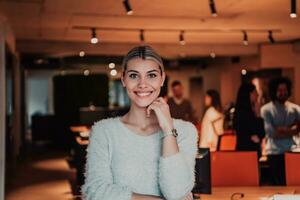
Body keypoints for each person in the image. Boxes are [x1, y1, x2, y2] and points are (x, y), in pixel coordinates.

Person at [82, 45, 198, 200]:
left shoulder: (185, 131)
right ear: (123, 79)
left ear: (162, 78)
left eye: (151, 75)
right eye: (134, 76)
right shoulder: (103, 131)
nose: (142, 84)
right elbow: (95, 192)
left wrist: (168, 130)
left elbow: (177, 192)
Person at [261, 77, 300, 185]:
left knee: (293, 185)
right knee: (277, 188)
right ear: (274, 91)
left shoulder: (296, 108)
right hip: (274, 153)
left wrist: (281, 129)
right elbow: (271, 133)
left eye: (285, 90)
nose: (283, 93)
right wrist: (292, 130)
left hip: (292, 151)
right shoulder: (266, 109)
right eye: (280, 90)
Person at [233, 82, 265, 152]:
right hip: (247, 151)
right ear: (249, 94)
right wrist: (258, 115)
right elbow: (259, 133)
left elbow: (260, 135)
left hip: (248, 150)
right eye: (255, 92)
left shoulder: (246, 111)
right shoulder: (243, 112)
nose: (257, 94)